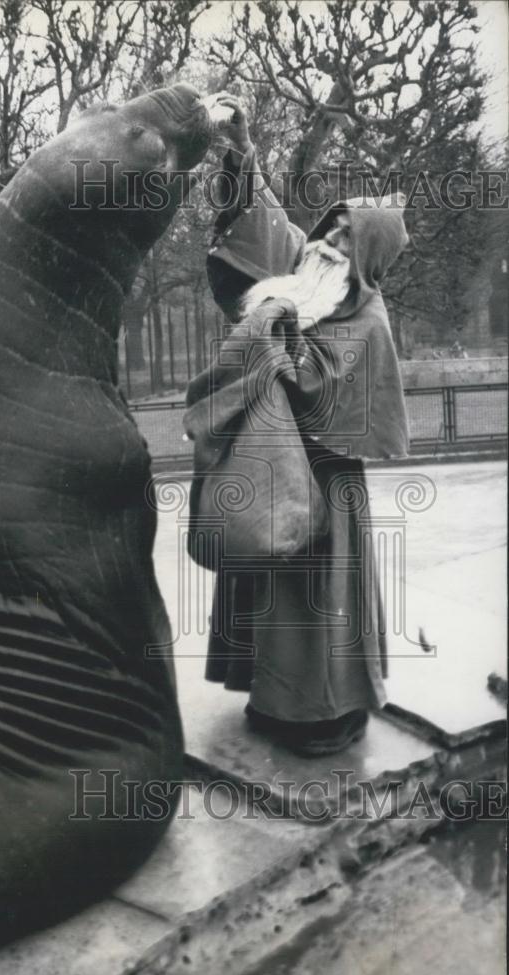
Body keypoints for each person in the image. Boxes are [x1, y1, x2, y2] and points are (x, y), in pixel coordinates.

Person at [190, 94, 410, 756]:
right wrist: (239, 144)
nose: (328, 241)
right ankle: (272, 700)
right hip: (268, 470)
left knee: (312, 608)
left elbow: (325, 391)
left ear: (365, 253)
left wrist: (275, 335)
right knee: (268, 592)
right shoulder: (303, 270)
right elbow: (257, 212)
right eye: (330, 228)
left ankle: (322, 713)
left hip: (324, 490)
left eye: (347, 237)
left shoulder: (367, 319)